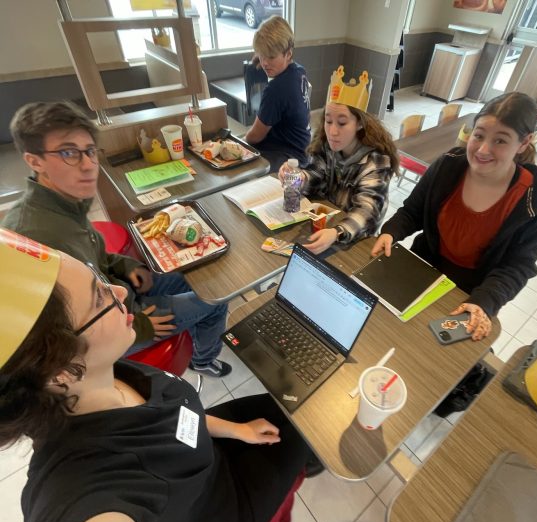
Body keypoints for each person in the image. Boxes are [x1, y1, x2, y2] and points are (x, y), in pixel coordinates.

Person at [0, 227, 314, 522]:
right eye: (99, 299)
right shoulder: (83, 489)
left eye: (100, 279)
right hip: (225, 514)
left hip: (211, 454)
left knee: (293, 408)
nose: (120, 293)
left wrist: (237, 430)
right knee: (308, 429)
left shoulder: (107, 370)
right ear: (59, 369)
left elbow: (172, 420)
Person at [2, 101, 232, 377]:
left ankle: (192, 327)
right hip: (117, 326)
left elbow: (96, 256)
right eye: (69, 153)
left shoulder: (63, 202)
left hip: (121, 295)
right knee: (217, 299)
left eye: (89, 151)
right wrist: (138, 327)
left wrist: (126, 266)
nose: (88, 166)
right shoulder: (35, 237)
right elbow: (58, 336)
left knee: (198, 274)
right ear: (34, 160)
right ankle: (203, 360)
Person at [372, 92, 537, 340]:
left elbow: (517, 267)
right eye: (479, 135)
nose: (483, 149)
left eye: (501, 141)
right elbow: (413, 211)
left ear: (523, 143)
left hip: (472, 291)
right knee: (388, 334)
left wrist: (484, 302)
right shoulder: (448, 166)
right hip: (422, 270)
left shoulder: (535, 205)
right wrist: (391, 231)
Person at [278, 66, 399, 255]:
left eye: (342, 123)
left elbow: (368, 211)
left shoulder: (375, 162)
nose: (333, 131)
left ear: (360, 123)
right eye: (328, 121)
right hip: (328, 220)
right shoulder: (327, 145)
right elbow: (316, 174)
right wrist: (300, 178)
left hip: (354, 236)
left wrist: (336, 232)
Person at [244, 16, 311, 172]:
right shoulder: (299, 71)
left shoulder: (276, 89)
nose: (265, 63)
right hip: (303, 151)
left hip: (286, 159)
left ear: (288, 53)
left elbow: (256, 136)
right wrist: (264, 54)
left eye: (271, 57)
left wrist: (241, 142)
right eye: (261, 55)